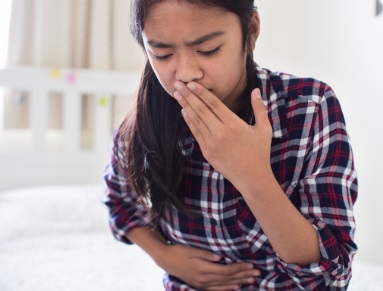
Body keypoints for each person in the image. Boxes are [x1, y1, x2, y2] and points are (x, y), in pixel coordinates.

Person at [103, 0, 358, 290]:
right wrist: (166, 257)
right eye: (162, 54)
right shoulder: (145, 119)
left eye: (208, 50)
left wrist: (252, 176)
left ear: (251, 31)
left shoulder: (309, 106)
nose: (186, 74)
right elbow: (118, 202)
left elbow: (331, 277)